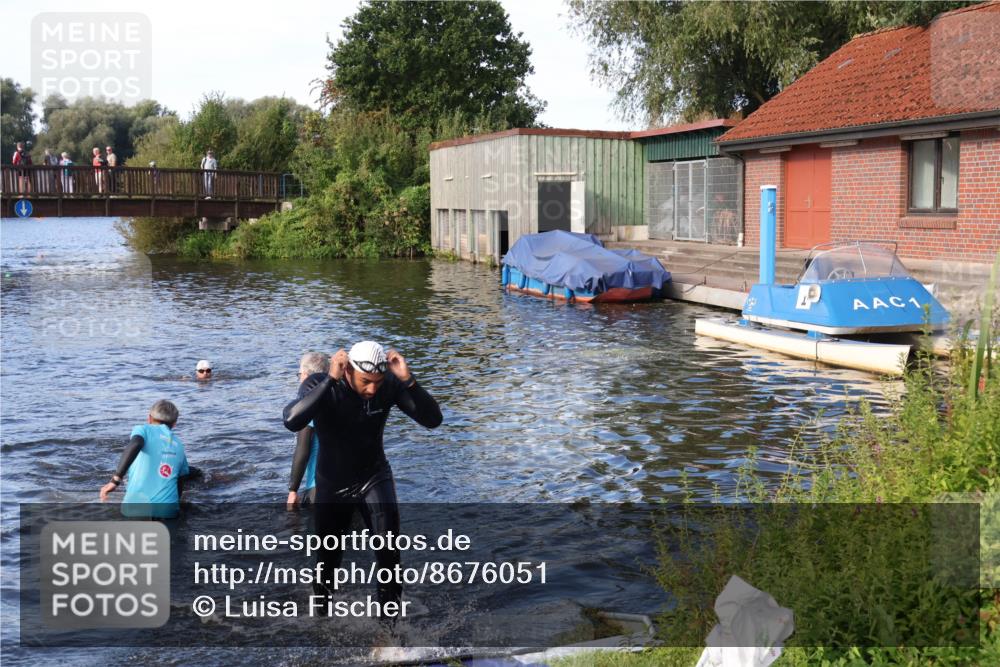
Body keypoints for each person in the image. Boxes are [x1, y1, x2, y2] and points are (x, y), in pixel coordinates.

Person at [282, 341, 442, 616]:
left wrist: (408, 381)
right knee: (328, 561)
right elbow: (292, 421)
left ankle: (388, 636)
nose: (372, 389)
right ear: (347, 370)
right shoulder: (320, 383)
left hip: (374, 477)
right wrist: (330, 381)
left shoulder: (387, 386)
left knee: (389, 555)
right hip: (332, 484)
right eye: (366, 381)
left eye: (377, 383)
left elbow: (432, 420)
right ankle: (322, 619)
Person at [99, 399, 190, 519]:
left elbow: (135, 443)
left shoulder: (144, 429)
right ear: (174, 423)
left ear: (149, 418)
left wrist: (115, 480)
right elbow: (181, 479)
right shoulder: (179, 444)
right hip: (168, 512)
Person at [287, 352, 329, 509]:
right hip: (353, 484)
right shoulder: (341, 396)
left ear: (305, 375)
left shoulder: (309, 405)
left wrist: (293, 490)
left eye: (299, 374)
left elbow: (303, 450)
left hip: (319, 485)